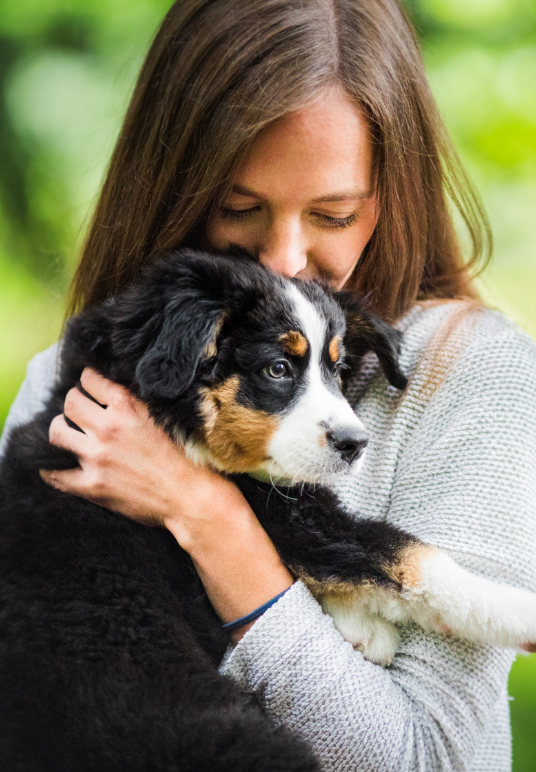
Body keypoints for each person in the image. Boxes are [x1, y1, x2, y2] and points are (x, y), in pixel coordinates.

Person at [1, 0, 535, 769]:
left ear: (392, 191)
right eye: (240, 207)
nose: (284, 259)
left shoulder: (472, 375)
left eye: (332, 213)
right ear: (175, 183)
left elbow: (431, 758)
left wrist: (204, 513)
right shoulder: (73, 388)